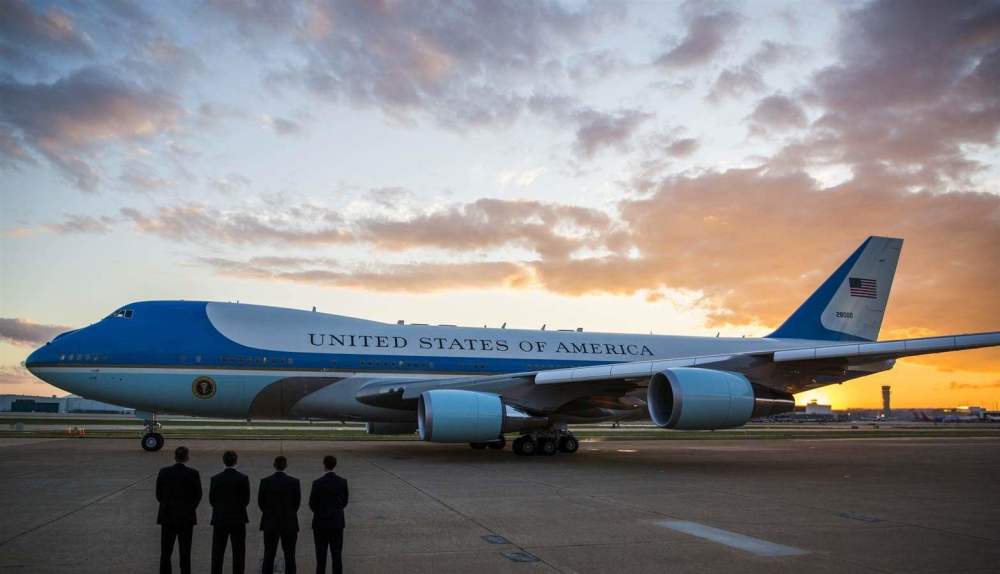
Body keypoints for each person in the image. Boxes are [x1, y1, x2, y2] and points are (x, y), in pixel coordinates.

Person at [156, 445, 202, 574]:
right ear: (187, 457)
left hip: (167, 517)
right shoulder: (193, 473)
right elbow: (198, 496)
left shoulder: (164, 472)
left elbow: (159, 495)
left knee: (165, 553)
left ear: (174, 456)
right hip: (186, 518)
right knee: (185, 552)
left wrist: (167, 506)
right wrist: (189, 509)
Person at [210, 450, 250, 574]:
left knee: (217, 552)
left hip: (220, 518)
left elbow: (212, 499)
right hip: (238, 519)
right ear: (236, 461)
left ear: (223, 461)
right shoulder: (243, 478)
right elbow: (246, 500)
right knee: (239, 552)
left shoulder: (216, 478)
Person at [259, 455, 301, 574]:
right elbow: (296, 504)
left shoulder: (265, 481)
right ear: (286, 466)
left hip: (270, 522)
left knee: (269, 554)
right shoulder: (294, 482)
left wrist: (269, 514)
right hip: (289, 523)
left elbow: (261, 503)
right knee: (290, 555)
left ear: (274, 465)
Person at [309, 455, 350, 574]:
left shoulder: (317, 483)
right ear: (335, 465)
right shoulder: (342, 482)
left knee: (321, 557)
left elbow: (312, 503)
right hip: (336, 523)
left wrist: (321, 512)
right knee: (337, 555)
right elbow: (344, 501)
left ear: (324, 465)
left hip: (320, 523)